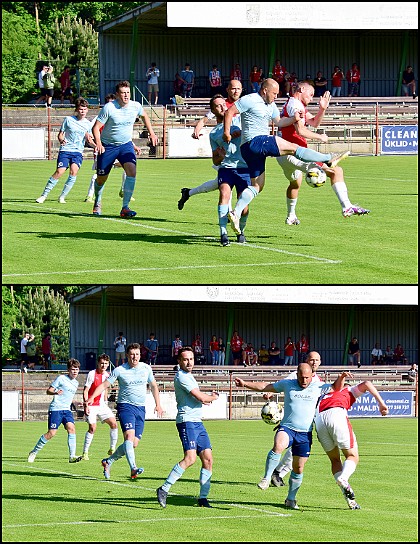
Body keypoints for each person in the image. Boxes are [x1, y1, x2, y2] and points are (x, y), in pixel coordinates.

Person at [223, 78, 350, 235]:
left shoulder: (271, 105)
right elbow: (229, 111)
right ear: (265, 90)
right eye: (274, 93)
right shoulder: (250, 99)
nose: (276, 96)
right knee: (294, 148)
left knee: (258, 186)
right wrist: (226, 132)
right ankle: (328, 157)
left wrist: (293, 119)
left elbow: (279, 122)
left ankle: (236, 212)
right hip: (255, 141)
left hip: (252, 150)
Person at [234, 362, 343, 510]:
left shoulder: (318, 386)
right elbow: (266, 387)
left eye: (307, 377)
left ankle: (291, 499)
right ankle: (266, 478)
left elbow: (336, 388)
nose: (304, 380)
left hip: (305, 434)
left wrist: (341, 377)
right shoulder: (288, 384)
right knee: (278, 445)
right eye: (301, 377)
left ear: (312, 375)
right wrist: (245, 384)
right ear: (297, 374)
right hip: (287, 428)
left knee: (298, 468)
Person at [276, 80, 369, 225]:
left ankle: (291, 216)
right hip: (294, 152)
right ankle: (347, 207)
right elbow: (301, 130)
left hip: (283, 155)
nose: (312, 98)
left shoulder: (295, 104)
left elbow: (314, 123)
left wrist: (322, 109)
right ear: (301, 90)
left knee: (295, 184)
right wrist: (320, 137)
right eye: (311, 94)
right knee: (336, 171)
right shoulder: (295, 105)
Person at [87, 342, 164, 480]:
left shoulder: (146, 368)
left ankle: (108, 461)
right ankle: (133, 468)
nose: (135, 357)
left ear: (140, 355)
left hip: (140, 409)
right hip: (125, 407)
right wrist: (91, 398)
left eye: (137, 354)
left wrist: (158, 404)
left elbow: (153, 386)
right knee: (128, 437)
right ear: (127, 355)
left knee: (133, 443)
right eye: (132, 354)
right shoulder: (120, 370)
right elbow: (104, 385)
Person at [156, 346, 219, 508]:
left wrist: (207, 399)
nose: (189, 362)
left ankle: (203, 498)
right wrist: (212, 397)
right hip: (187, 422)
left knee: (208, 459)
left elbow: (200, 399)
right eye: (185, 359)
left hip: (197, 422)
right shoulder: (181, 377)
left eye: (191, 359)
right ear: (179, 361)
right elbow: (199, 396)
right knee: (190, 458)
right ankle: (164, 488)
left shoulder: (189, 376)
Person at [314, 377, 388, 509]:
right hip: (336, 414)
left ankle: (349, 499)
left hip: (319, 420)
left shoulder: (323, 396)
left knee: (335, 460)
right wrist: (381, 403)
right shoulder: (348, 390)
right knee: (352, 456)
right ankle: (343, 478)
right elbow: (367, 383)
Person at [91, 80, 158, 217]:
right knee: (101, 178)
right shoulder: (109, 108)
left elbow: (144, 115)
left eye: (128, 92)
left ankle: (125, 207)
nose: (126, 95)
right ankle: (97, 201)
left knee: (132, 171)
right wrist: (98, 142)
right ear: (117, 94)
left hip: (125, 145)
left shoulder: (135, 106)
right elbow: (96, 127)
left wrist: (151, 132)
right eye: (123, 93)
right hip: (108, 146)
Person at [178, 80, 244, 211]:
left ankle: (188, 193)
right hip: (225, 149)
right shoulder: (221, 103)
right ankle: (229, 214)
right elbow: (205, 119)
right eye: (233, 88)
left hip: (239, 152)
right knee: (226, 184)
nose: (236, 91)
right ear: (228, 90)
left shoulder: (243, 104)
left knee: (217, 183)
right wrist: (197, 129)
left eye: (238, 88)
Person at [270, 351, 323, 488]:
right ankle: (277, 473)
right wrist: (269, 392)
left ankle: (278, 473)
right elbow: (283, 384)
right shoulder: (297, 375)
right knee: (294, 452)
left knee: (298, 454)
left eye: (317, 360)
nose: (314, 362)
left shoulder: (318, 381)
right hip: (294, 422)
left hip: (309, 421)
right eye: (312, 360)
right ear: (307, 360)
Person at [208, 94, 251, 245]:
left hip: (244, 167)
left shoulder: (239, 121)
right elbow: (215, 159)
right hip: (226, 168)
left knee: (244, 207)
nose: (222, 107)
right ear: (213, 111)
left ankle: (241, 231)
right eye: (218, 106)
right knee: (224, 195)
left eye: (223, 104)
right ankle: (223, 233)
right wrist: (219, 156)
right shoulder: (213, 133)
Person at [35, 97, 94, 204]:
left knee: (73, 172)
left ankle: (62, 196)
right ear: (76, 110)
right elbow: (60, 134)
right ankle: (44, 195)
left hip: (77, 152)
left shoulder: (88, 124)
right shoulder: (69, 120)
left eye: (85, 109)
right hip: (66, 150)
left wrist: (96, 146)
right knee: (59, 172)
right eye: (81, 109)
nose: (83, 111)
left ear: (87, 110)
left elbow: (88, 140)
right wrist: (61, 140)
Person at [27, 358, 83, 463]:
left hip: (66, 410)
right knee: (51, 433)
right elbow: (49, 391)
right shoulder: (61, 378)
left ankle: (72, 456)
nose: (75, 371)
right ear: (68, 370)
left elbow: (68, 397)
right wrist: (55, 392)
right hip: (56, 409)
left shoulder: (75, 383)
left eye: (76, 369)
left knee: (71, 428)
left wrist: (75, 402)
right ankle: (34, 452)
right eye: (72, 369)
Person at [82, 353, 118, 460]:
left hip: (102, 405)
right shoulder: (92, 374)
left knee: (114, 424)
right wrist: (86, 404)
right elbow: (86, 390)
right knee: (92, 428)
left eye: (106, 363)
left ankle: (112, 449)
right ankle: (85, 452)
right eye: (102, 363)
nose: (103, 365)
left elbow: (105, 389)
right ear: (98, 363)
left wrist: (106, 402)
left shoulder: (108, 375)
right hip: (91, 405)